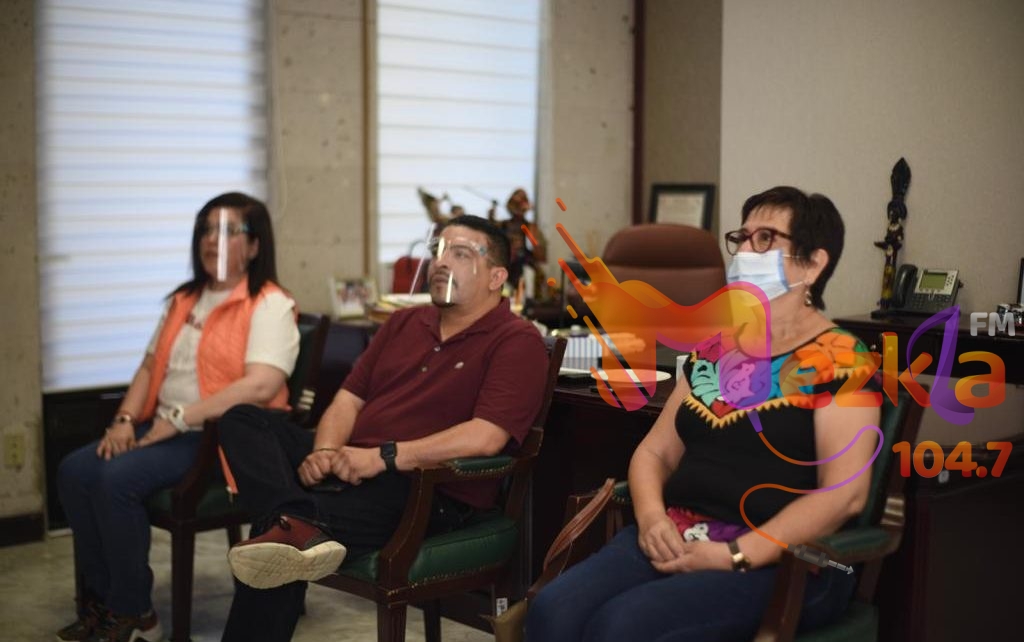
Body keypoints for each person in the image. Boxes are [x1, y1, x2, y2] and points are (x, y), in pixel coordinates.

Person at [526, 186, 881, 641]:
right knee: (552, 611)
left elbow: (845, 495)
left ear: (814, 264)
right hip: (680, 532)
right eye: (742, 237)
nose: (746, 251)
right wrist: (652, 518)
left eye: (766, 239)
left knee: (622, 627)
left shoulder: (843, 359)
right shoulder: (714, 349)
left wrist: (736, 553)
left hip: (787, 560)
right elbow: (655, 453)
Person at [215, 214, 549, 642]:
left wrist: (383, 457)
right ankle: (296, 521)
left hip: (425, 488)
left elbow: (486, 437)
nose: (441, 262)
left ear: (496, 277)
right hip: (351, 464)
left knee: (274, 541)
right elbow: (346, 401)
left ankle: (293, 523)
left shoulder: (516, 340)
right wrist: (325, 451)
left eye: (461, 254)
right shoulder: (403, 323)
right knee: (243, 418)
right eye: (438, 250)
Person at [56, 193, 300, 642]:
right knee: (75, 471)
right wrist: (125, 419)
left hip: (219, 438)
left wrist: (182, 417)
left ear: (254, 246)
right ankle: (103, 602)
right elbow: (150, 366)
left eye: (228, 230)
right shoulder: (185, 299)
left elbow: (261, 385)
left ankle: (135, 613)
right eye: (206, 229)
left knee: (115, 481)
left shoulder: (269, 303)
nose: (212, 239)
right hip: (165, 426)